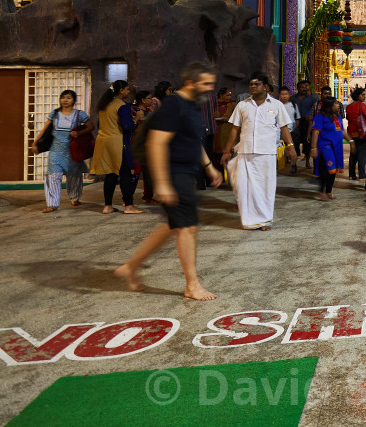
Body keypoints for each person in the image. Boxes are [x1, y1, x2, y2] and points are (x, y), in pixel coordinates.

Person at [114, 62, 223, 300]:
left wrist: (209, 168)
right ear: (191, 83)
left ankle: (130, 268)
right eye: (205, 84)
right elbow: (156, 143)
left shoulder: (193, 105)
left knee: (173, 226)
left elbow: (194, 141)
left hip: (186, 173)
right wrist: (162, 184)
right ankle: (192, 285)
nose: (209, 89)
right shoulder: (174, 104)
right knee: (187, 227)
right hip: (173, 174)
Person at [223, 73, 295, 228]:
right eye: (251, 84)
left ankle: (264, 220)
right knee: (244, 187)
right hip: (245, 151)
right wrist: (226, 151)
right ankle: (249, 220)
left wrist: (291, 147)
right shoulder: (242, 105)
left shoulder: (276, 105)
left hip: (267, 152)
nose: (253, 87)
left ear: (265, 86)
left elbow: (284, 128)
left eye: (257, 84)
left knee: (265, 187)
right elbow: (235, 130)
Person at [29, 89, 92, 212]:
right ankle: (52, 204)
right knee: (53, 176)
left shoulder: (80, 114)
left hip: (73, 151)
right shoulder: (55, 114)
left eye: (68, 98)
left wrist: (79, 133)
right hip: (56, 151)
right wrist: (35, 142)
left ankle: (74, 197)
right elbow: (44, 129)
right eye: (63, 97)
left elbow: (91, 126)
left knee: (74, 176)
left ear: (73, 100)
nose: (65, 100)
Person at [91, 80, 144, 215]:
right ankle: (129, 206)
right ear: (121, 91)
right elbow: (127, 127)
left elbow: (99, 125)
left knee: (111, 174)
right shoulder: (122, 106)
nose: (128, 92)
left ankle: (107, 206)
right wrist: (137, 119)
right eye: (127, 90)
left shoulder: (103, 105)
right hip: (118, 143)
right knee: (125, 174)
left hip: (104, 142)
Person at [311, 97, 345, 201]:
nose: (338, 105)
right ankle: (321, 192)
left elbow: (342, 130)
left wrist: (351, 141)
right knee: (326, 170)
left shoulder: (337, 116)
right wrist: (313, 148)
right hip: (325, 148)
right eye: (335, 103)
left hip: (337, 148)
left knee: (333, 171)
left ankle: (328, 191)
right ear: (329, 106)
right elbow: (315, 132)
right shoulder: (319, 117)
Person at [290, 80, 318, 173]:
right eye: (301, 87)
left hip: (307, 124)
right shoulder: (292, 98)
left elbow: (313, 110)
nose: (304, 89)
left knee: (307, 144)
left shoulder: (311, 99)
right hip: (295, 124)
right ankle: (294, 164)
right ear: (297, 88)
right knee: (295, 143)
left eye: (305, 87)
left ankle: (307, 161)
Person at [346, 87, 366, 183]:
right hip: (361, 133)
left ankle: (351, 175)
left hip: (351, 133)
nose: (364, 97)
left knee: (353, 154)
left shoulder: (348, 106)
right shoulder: (361, 105)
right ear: (357, 96)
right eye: (362, 95)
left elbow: (348, 118)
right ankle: (361, 175)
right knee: (362, 155)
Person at [212, 87, 234, 168]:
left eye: (230, 95)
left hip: (228, 134)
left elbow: (236, 118)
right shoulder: (213, 104)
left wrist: (228, 119)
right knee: (216, 158)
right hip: (216, 135)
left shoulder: (232, 104)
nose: (229, 97)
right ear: (221, 95)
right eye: (227, 95)